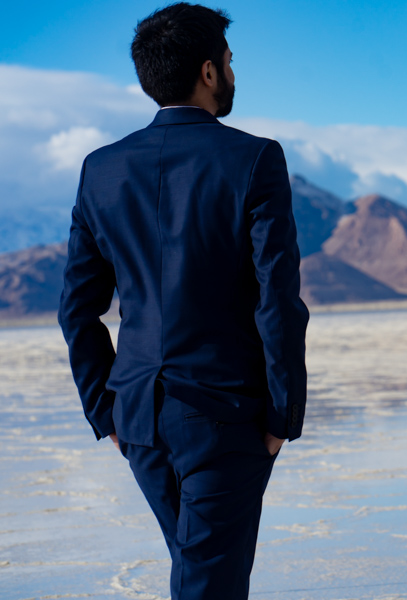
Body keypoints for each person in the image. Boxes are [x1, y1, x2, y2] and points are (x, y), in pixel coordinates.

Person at [57, 4, 309, 598]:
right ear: (208, 71)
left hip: (139, 416)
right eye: (228, 59)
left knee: (195, 569)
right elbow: (277, 298)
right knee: (208, 581)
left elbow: (77, 307)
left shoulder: (102, 169)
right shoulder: (254, 158)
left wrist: (107, 412)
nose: (231, 70)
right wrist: (282, 417)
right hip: (226, 416)